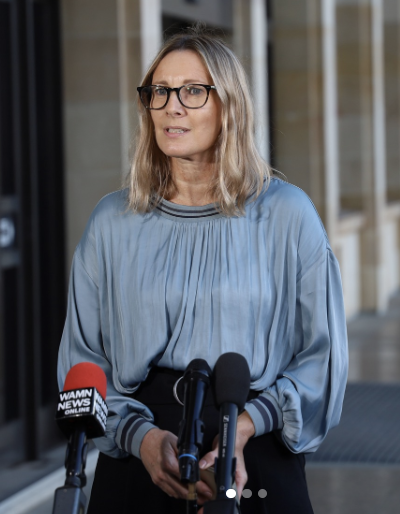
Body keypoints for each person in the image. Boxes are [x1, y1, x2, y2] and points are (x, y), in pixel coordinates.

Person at [57, 27, 348, 514]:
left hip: (254, 442)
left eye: (193, 91)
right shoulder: (111, 221)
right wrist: (142, 438)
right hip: (139, 450)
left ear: (229, 106)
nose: (172, 107)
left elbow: (324, 357)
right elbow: (81, 358)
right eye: (160, 91)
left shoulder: (288, 214)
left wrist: (246, 427)